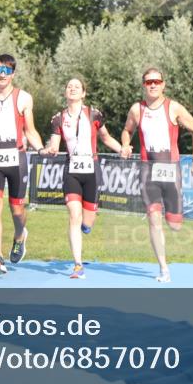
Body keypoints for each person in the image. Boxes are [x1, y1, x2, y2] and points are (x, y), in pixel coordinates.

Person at [120, 67, 193, 283]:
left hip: (171, 169)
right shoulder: (137, 109)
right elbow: (127, 130)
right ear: (144, 85)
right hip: (148, 170)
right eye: (149, 82)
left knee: (175, 225)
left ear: (163, 84)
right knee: (153, 218)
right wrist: (126, 144)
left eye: (157, 81)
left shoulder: (173, 107)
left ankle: (172, 218)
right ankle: (164, 268)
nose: (153, 85)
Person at [0, 54, 46, 275]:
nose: (2, 75)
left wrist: (41, 149)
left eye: (7, 71)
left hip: (17, 157)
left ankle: (20, 235)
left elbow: (30, 130)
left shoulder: (24, 98)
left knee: (17, 210)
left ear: (13, 74)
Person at [42, 77, 122, 279]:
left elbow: (105, 137)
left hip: (91, 169)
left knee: (87, 221)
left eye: (77, 87)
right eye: (69, 86)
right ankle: (78, 264)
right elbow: (55, 143)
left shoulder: (94, 114)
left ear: (84, 93)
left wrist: (122, 149)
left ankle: (87, 224)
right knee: (74, 216)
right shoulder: (58, 118)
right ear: (65, 92)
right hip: (72, 170)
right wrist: (50, 149)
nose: (73, 89)